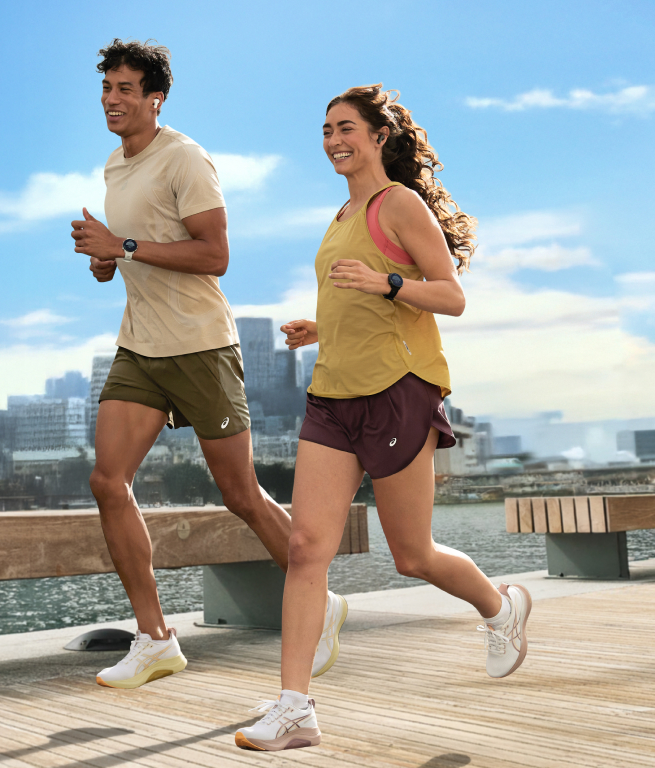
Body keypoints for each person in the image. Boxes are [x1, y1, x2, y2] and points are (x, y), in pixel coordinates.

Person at [235, 84, 532, 752]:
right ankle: (295, 708)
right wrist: (321, 327)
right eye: (326, 130)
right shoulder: (341, 214)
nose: (333, 140)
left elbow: (450, 295)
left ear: (378, 136)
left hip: (398, 391)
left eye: (346, 128)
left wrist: (388, 284)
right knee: (306, 547)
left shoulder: (399, 204)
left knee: (412, 555)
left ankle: (501, 607)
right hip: (332, 397)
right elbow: (357, 296)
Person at [70, 39, 347, 690]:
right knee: (108, 481)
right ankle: (155, 638)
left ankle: (322, 600)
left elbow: (214, 254)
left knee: (240, 494)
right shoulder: (114, 165)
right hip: (141, 346)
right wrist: (106, 259)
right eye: (106, 88)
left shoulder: (185, 158)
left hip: (200, 345)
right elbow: (132, 255)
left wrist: (124, 244)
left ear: (155, 98)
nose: (111, 100)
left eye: (125, 89)